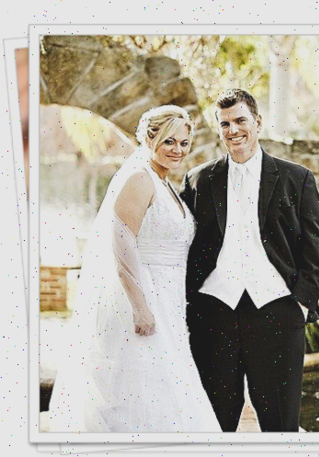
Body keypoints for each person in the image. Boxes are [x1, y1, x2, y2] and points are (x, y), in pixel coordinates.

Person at [47, 105, 221, 432]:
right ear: (149, 139)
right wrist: (140, 307)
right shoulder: (140, 179)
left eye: (184, 143)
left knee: (168, 380)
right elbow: (121, 243)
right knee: (145, 383)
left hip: (169, 299)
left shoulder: (165, 184)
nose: (178, 150)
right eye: (169, 141)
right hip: (144, 297)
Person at [180, 89, 319, 432]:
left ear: (257, 122)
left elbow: (315, 244)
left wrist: (301, 304)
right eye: (225, 124)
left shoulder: (297, 178)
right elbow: (184, 245)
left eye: (240, 120)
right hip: (213, 313)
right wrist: (190, 302)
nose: (233, 130)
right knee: (213, 425)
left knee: (281, 425)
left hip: (278, 311)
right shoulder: (199, 179)